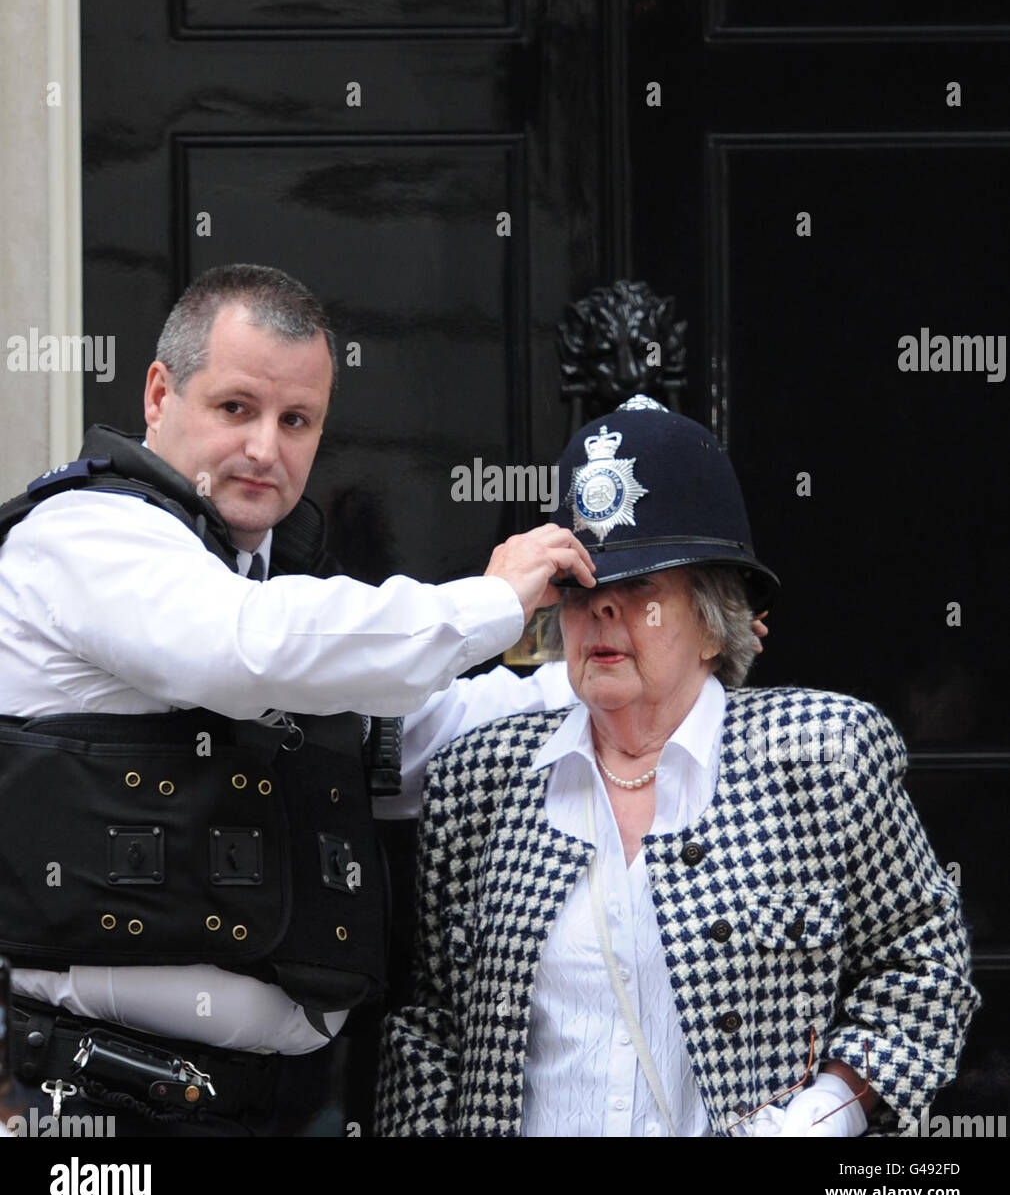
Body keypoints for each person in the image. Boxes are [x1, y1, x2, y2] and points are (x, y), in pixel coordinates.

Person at [0, 263, 595, 1135]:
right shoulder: (84, 535)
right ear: (160, 394)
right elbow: (240, 647)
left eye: (297, 421)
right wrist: (490, 603)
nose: (265, 450)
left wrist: (616, 679)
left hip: (286, 1101)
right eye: (236, 408)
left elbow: (428, 740)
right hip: (98, 1101)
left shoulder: (282, 592)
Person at [375, 396, 981, 1138]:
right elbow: (432, 1028)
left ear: (713, 616)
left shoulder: (824, 755)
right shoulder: (480, 779)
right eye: (580, 590)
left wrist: (820, 1120)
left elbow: (922, 965)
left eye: (638, 591)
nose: (601, 612)